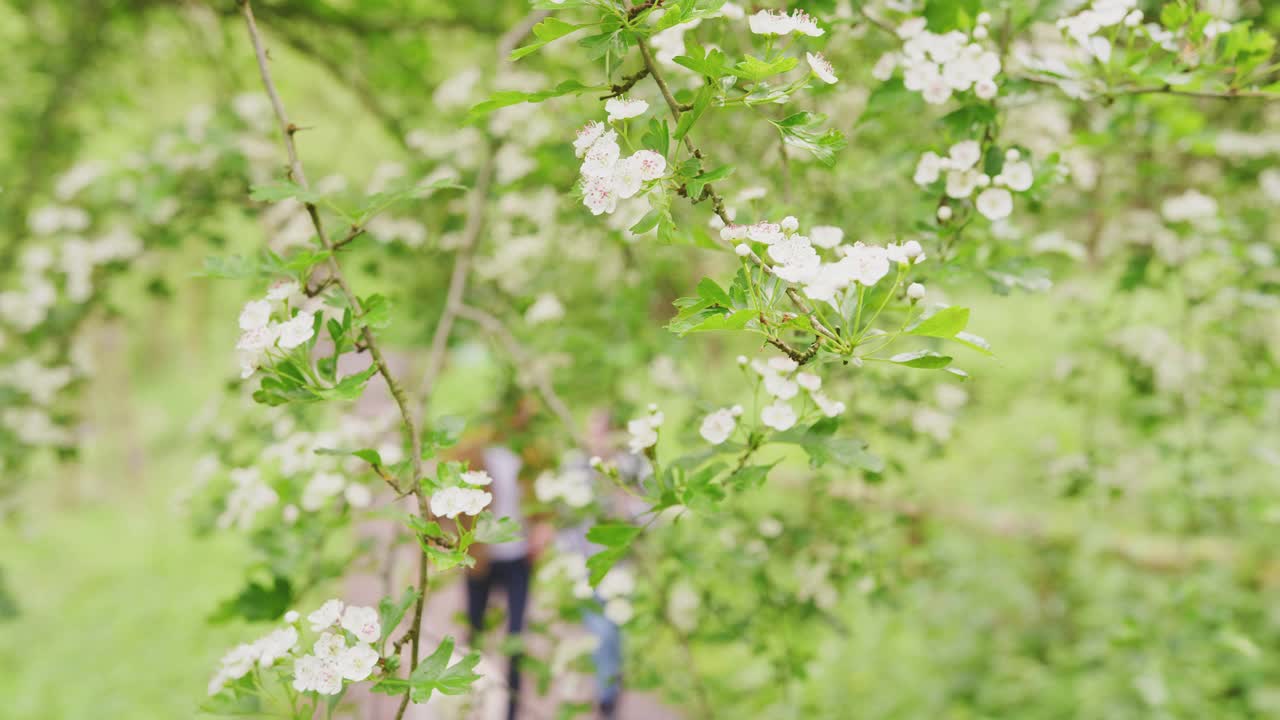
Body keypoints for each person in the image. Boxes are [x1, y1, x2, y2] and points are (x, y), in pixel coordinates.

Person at [451, 395, 552, 720]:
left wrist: (542, 527)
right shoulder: (473, 453)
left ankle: (511, 711)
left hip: (518, 557)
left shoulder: (531, 457)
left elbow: (544, 503)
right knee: (476, 632)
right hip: (482, 557)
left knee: (516, 637)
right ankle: (473, 704)